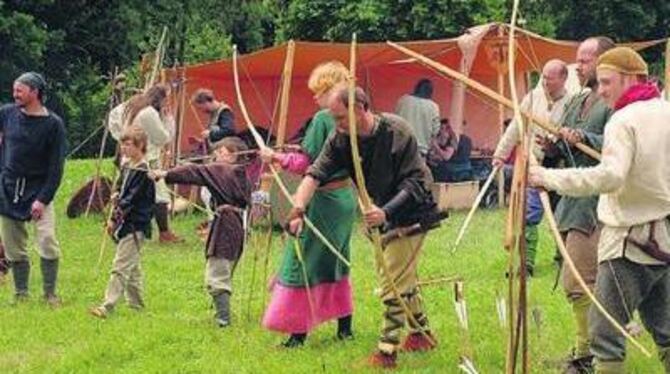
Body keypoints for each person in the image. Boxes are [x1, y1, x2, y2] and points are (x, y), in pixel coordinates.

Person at [530, 47, 670, 374]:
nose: (602, 89)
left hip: (628, 245)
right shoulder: (666, 111)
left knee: (604, 331)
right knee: (666, 330)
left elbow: (611, 175)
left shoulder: (624, 119)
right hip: (663, 242)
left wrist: (549, 177)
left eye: (608, 82)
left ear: (632, 77)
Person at [287, 86, 445, 368]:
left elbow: (414, 181)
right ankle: (422, 335)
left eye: (340, 117)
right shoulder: (341, 137)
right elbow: (316, 172)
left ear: (359, 109)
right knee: (401, 277)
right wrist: (298, 207)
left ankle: (386, 352)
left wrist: (385, 212)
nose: (337, 125)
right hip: (380, 211)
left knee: (392, 282)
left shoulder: (397, 131)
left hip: (413, 210)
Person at [260, 61, 356, 347]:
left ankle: (297, 334)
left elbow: (309, 164)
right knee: (336, 261)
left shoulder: (325, 117)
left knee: (304, 261)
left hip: (324, 199)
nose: (315, 97)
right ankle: (344, 329)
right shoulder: (353, 116)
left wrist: (275, 158)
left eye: (318, 91)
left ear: (330, 90)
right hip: (344, 201)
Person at [537, 36, 615, 372]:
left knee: (580, 280)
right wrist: (552, 144)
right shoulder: (578, 100)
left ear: (605, 60)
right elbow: (560, 149)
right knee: (586, 281)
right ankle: (594, 349)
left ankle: (589, 354)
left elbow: (616, 148)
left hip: (596, 202)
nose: (578, 66)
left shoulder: (614, 104)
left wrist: (586, 138)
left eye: (585, 60)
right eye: (578, 60)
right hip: (570, 200)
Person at [152, 137, 251, 328]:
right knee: (223, 268)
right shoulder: (242, 174)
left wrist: (165, 173)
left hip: (226, 225)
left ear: (233, 155)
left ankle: (223, 319)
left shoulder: (223, 170)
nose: (216, 156)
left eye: (222, 152)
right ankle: (220, 313)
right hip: (238, 225)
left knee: (218, 271)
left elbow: (195, 171)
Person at [492, 59, 573, 276]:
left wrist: (555, 145)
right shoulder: (533, 98)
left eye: (550, 78)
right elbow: (516, 128)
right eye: (543, 77)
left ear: (563, 78)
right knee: (529, 215)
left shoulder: (573, 102)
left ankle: (564, 257)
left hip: (562, 168)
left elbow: (574, 137)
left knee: (562, 217)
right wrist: (501, 154)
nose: (544, 81)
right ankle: (526, 264)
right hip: (535, 166)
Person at [0, 72, 66, 306]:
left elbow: (56, 168)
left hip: (39, 191)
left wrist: (42, 199)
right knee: (13, 246)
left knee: (47, 240)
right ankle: (21, 294)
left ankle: (49, 294)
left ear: (35, 92)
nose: (15, 94)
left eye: (20, 90)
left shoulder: (53, 125)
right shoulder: (7, 114)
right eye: (14, 89)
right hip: (8, 189)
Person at [90, 127, 155, 318]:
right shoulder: (127, 165)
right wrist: (115, 193)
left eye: (128, 144)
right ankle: (136, 305)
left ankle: (107, 306)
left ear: (140, 145)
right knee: (131, 266)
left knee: (120, 265)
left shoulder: (143, 170)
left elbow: (130, 200)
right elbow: (120, 188)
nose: (123, 148)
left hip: (136, 224)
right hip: (126, 222)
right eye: (122, 144)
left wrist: (113, 220)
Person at [110, 84, 182, 244]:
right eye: (166, 99)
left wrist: (123, 139)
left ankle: (117, 225)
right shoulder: (148, 112)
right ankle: (164, 233)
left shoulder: (132, 104)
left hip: (129, 159)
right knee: (160, 196)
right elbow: (163, 138)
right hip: (146, 161)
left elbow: (113, 118)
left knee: (127, 194)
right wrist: (168, 118)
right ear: (160, 98)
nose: (167, 102)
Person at [395, 78, 440, 158]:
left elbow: (395, 120)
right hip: (420, 151)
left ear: (416, 88)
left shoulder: (403, 100)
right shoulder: (433, 107)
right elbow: (435, 131)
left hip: (400, 146)